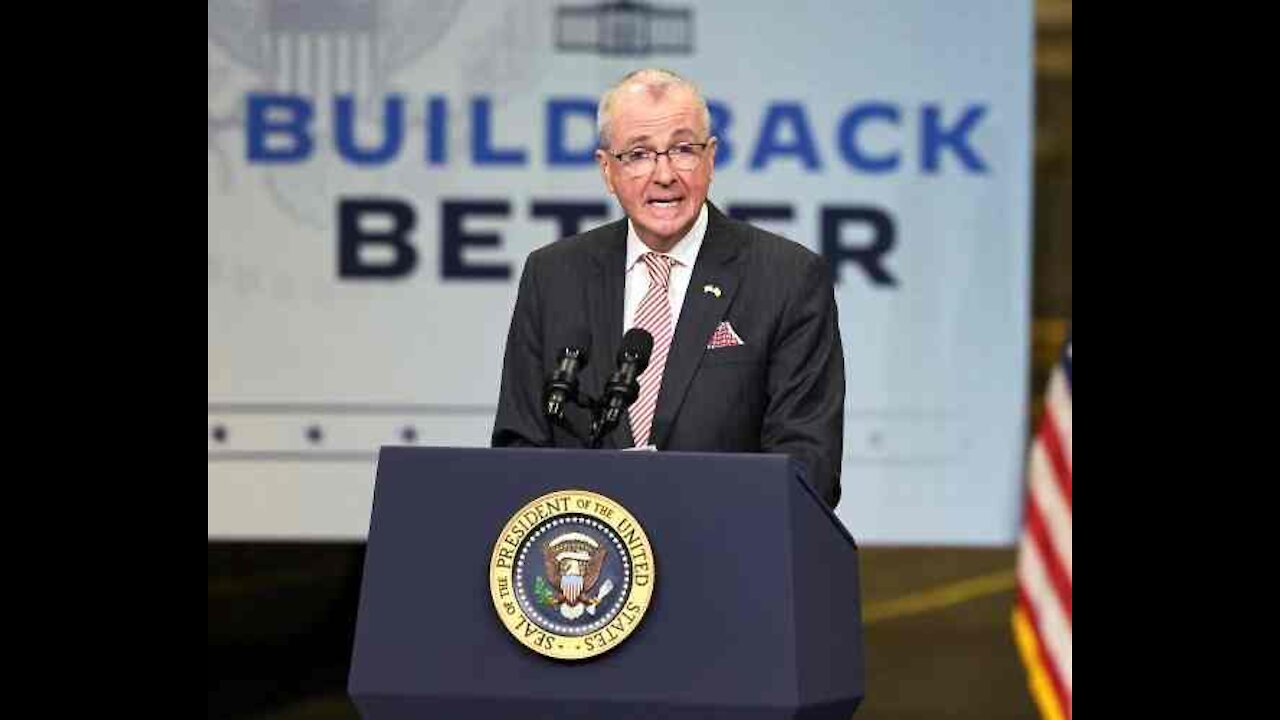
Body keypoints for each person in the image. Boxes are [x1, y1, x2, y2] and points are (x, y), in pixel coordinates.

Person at [491, 69, 845, 508]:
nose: (664, 175)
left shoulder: (787, 278)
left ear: (711, 158)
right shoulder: (553, 275)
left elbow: (809, 462)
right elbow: (517, 448)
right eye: (638, 154)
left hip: (729, 560)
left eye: (682, 150)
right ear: (607, 169)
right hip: (586, 561)